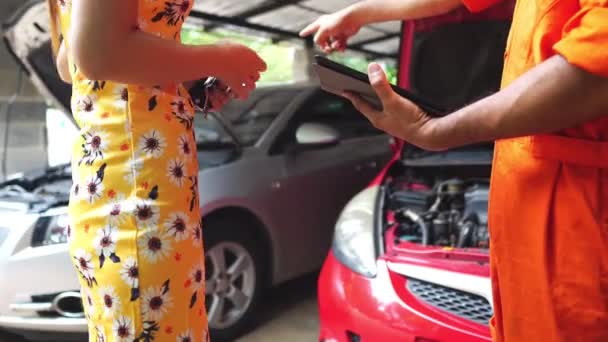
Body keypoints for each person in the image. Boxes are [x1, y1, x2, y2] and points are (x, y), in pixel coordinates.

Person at [302, 0, 608, 341]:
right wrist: (366, 11)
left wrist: (440, 131)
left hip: (581, 240)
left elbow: (596, 69)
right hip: (530, 253)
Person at [47, 0, 266, 341]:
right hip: (139, 194)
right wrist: (222, 57)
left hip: (121, 181)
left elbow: (71, 62)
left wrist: (185, 78)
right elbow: (98, 53)